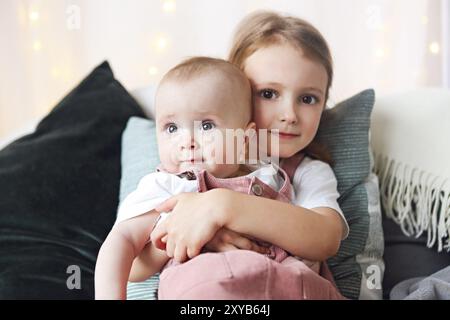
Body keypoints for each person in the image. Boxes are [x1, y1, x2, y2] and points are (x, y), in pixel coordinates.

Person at [145, 10, 350, 298]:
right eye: (268, 94)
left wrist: (223, 206)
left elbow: (325, 237)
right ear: (234, 93)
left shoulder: (307, 171)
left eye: (308, 99)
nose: (289, 115)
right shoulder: (191, 164)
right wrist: (201, 233)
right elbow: (136, 260)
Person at [95, 56, 306, 299]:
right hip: (204, 288)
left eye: (206, 126)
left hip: (283, 283)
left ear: (245, 138)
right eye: (172, 128)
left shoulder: (269, 176)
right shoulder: (168, 186)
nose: (187, 142)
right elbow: (121, 241)